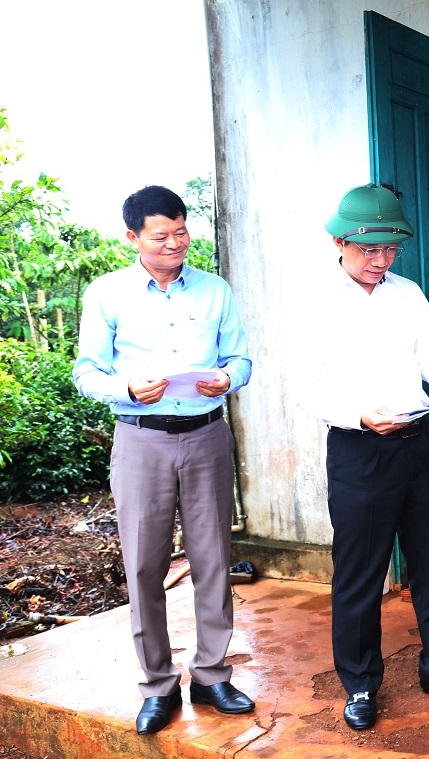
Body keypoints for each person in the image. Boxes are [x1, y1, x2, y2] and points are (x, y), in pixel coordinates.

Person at [73, 185, 254, 735]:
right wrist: (127, 387)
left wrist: (227, 377)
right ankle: (157, 684)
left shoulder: (215, 290)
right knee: (145, 565)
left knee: (213, 559)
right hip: (140, 440)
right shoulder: (107, 294)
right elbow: (86, 371)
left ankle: (212, 675)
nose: (175, 243)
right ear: (132, 237)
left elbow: (240, 358)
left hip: (206, 436)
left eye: (181, 232)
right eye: (161, 236)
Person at [318, 183, 429, 731]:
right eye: (369, 250)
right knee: (360, 574)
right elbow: (307, 384)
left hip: (416, 444)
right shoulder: (317, 302)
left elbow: (428, 356)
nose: (380, 260)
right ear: (340, 243)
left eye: (390, 250)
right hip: (359, 451)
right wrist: (359, 415)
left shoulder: (408, 293)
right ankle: (360, 684)